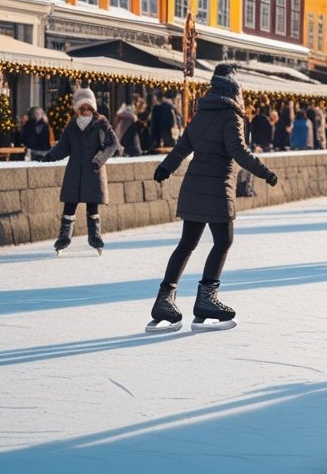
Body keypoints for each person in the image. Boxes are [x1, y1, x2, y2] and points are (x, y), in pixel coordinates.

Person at [149, 65, 278, 332]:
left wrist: (166, 167)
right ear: (234, 90)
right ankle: (207, 299)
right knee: (224, 240)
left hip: (194, 186)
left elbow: (183, 146)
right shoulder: (231, 117)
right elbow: (239, 152)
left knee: (187, 244)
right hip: (217, 187)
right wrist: (266, 173)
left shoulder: (201, 114)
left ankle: (164, 300)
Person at [38, 88, 119, 255]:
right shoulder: (72, 126)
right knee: (70, 204)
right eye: (82, 109)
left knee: (92, 207)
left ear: (93, 109)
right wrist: (48, 157)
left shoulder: (101, 124)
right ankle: (64, 237)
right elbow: (62, 148)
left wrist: (99, 160)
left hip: (93, 171)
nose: (85, 112)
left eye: (88, 108)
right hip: (74, 171)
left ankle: (95, 237)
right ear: (77, 110)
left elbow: (112, 144)